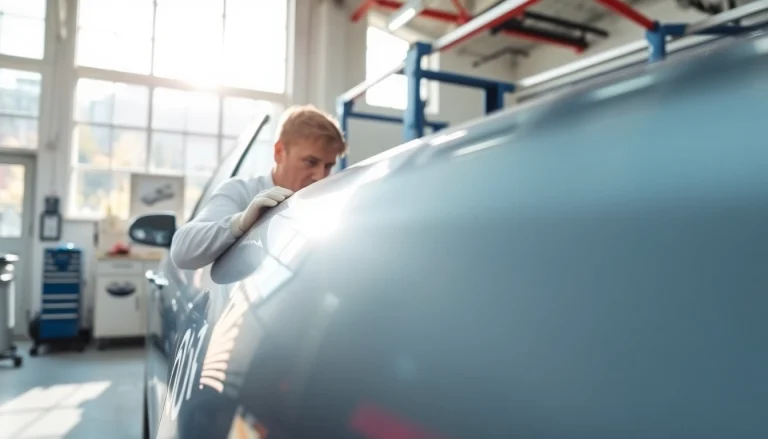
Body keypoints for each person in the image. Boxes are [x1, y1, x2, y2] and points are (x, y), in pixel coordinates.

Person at [170, 105, 346, 270]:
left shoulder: (328, 208)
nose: (321, 176)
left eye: (328, 166)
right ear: (279, 152)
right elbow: (181, 250)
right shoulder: (240, 192)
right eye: (311, 162)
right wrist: (240, 223)